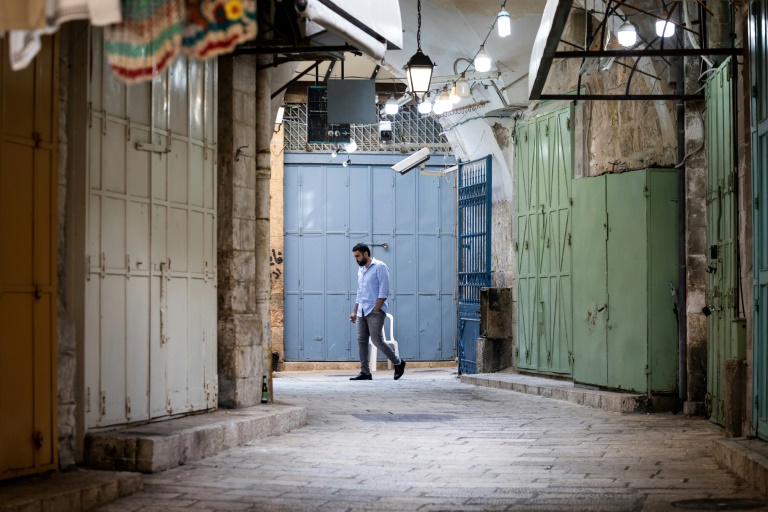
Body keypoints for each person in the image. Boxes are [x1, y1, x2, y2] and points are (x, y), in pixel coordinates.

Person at [349, 243, 405, 381]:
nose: (356, 259)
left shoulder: (380, 267)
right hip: (362, 310)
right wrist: (354, 311)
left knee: (376, 340)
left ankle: (398, 363)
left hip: (375, 310)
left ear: (366, 254)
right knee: (361, 341)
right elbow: (360, 293)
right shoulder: (361, 270)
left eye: (358, 256)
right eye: (355, 256)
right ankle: (365, 372)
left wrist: (376, 308)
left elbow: (384, 291)